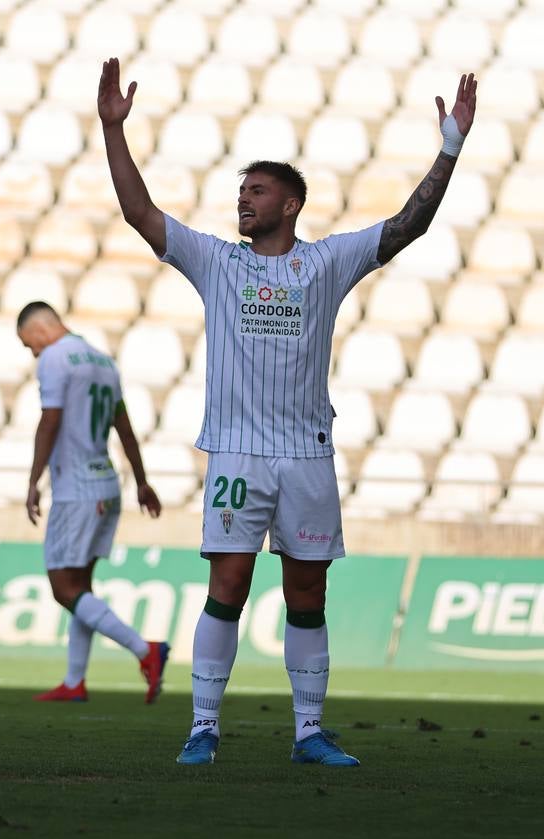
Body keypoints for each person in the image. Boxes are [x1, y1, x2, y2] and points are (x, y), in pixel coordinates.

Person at [97, 57, 477, 765]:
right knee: (229, 583)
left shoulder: (328, 263)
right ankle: (202, 728)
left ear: (291, 204)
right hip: (238, 450)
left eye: (258, 191)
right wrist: (113, 130)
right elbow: (139, 214)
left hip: (306, 451)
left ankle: (308, 733)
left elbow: (407, 227)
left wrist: (449, 147)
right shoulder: (217, 261)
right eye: (242, 191)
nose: (244, 201)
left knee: (307, 589)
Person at [18, 301, 170, 704]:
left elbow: (50, 420)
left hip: (76, 490)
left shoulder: (54, 358)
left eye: (28, 344)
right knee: (81, 586)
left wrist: (34, 480)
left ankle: (145, 651)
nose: (31, 353)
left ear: (40, 330)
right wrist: (141, 481)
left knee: (62, 588)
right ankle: (74, 681)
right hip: (106, 484)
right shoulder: (103, 361)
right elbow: (125, 427)